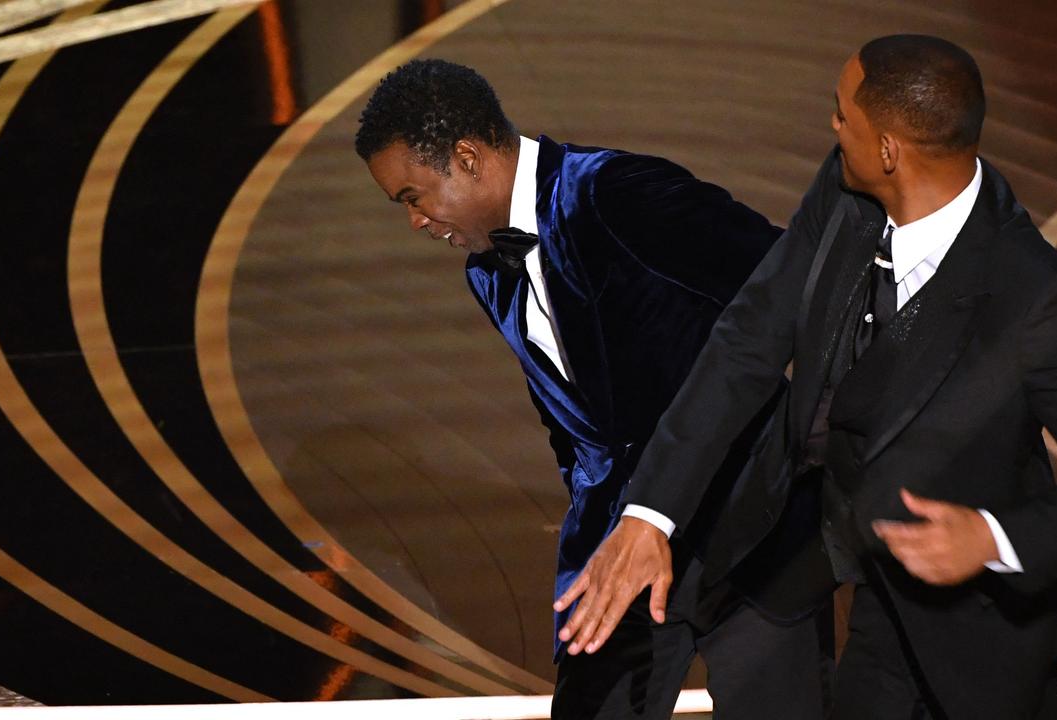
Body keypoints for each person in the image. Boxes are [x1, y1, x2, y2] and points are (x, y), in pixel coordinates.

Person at [556, 35, 1057, 719]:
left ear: (888, 150)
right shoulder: (847, 187)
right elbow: (747, 343)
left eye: (842, 115)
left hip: (978, 631)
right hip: (856, 574)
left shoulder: (1034, 299)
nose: (832, 127)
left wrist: (994, 538)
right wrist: (650, 515)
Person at [355, 59, 833, 719]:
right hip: (617, 549)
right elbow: (573, 424)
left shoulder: (616, 193)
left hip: (754, 533)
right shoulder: (488, 274)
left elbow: (789, 288)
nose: (415, 221)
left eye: (413, 197)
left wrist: (821, 443)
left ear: (466, 157)